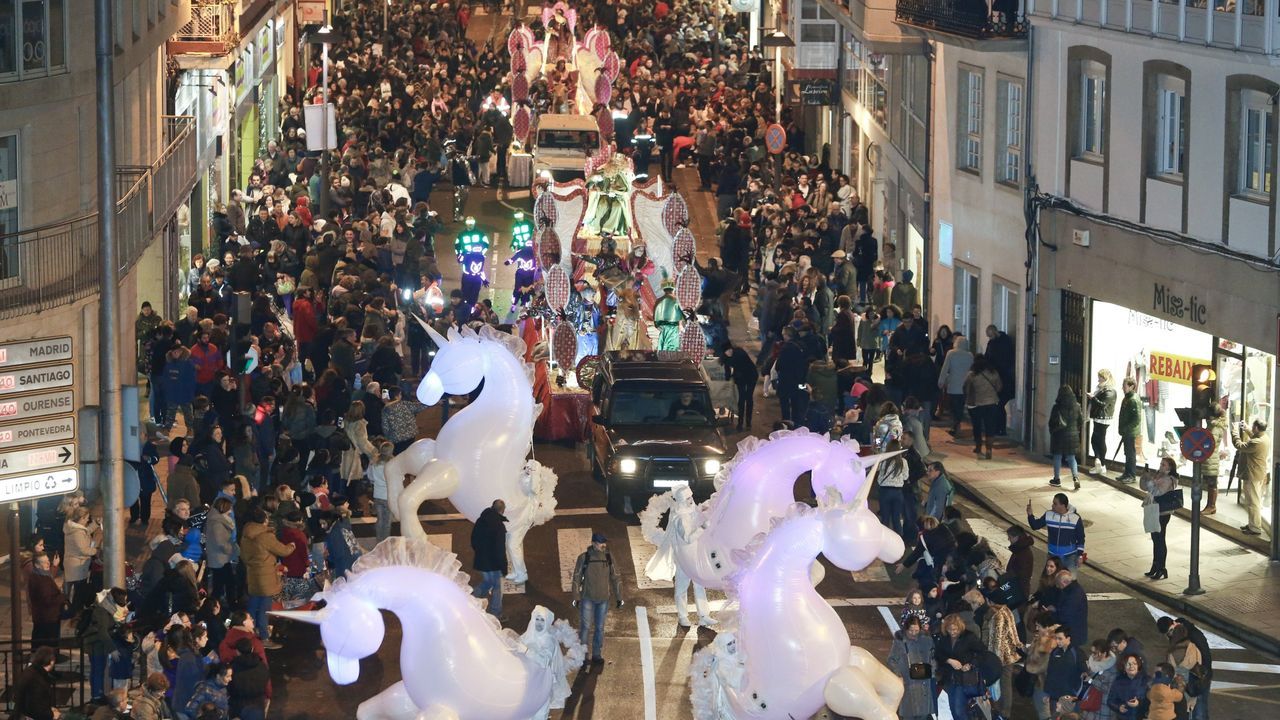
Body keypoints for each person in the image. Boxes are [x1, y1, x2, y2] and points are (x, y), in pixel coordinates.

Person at [239, 505, 295, 649]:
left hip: (252, 574)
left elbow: (244, 556)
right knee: (265, 608)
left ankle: (248, 632)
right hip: (266, 577)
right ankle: (264, 638)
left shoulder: (246, 534)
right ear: (263, 520)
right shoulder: (265, 536)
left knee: (253, 604)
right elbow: (282, 550)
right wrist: (291, 546)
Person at [572, 532, 624, 669]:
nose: (604, 545)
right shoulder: (583, 558)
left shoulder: (608, 557)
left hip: (603, 600)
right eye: (601, 543)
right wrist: (576, 597)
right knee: (585, 628)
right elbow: (576, 578)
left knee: (600, 628)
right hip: (587, 599)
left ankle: (596, 654)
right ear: (594, 544)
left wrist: (619, 597)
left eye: (604, 543)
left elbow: (616, 577)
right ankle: (582, 656)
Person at [1155, 615, 1212, 719]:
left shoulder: (1195, 636)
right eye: (1167, 634)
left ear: (1174, 623)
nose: (1169, 635)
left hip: (1199, 678)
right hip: (1185, 680)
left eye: (1170, 632)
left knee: (1199, 712)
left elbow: (1206, 657)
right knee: (1189, 711)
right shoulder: (1176, 634)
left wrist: (1203, 678)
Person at [83, 587, 131, 703]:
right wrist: (113, 650)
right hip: (96, 645)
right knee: (98, 670)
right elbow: (103, 632)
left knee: (98, 669)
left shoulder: (106, 607)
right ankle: (97, 697)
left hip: (98, 644)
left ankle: (98, 695)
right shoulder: (102, 611)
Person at [935, 612, 986, 720]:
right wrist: (949, 660)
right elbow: (938, 654)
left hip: (964, 678)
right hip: (949, 678)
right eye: (950, 629)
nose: (953, 632)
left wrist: (971, 664)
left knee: (958, 710)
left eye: (955, 629)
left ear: (960, 627)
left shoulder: (969, 637)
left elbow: (982, 652)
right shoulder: (944, 637)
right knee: (954, 709)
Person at [886, 615, 936, 720]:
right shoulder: (900, 642)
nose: (914, 633)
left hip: (924, 683)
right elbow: (891, 660)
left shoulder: (927, 640)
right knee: (909, 714)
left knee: (923, 715)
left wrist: (933, 669)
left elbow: (934, 657)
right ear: (906, 629)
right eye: (911, 630)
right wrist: (899, 674)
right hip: (908, 683)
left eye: (916, 630)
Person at [1231, 418, 1271, 535]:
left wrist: (1235, 431)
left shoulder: (1256, 442)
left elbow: (1238, 445)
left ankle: (1255, 528)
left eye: (1253, 427)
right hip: (1257, 473)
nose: (1252, 429)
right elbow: (1254, 436)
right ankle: (1252, 524)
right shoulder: (1264, 437)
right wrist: (1246, 428)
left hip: (1252, 475)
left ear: (1257, 428)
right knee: (1253, 500)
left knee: (1253, 502)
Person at [1027, 492, 1085, 571]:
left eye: (1055, 504)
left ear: (1063, 505)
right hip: (1052, 554)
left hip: (1070, 556)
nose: (1052, 506)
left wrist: (1080, 555)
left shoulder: (1075, 518)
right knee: (1050, 580)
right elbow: (1035, 526)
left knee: (1068, 581)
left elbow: (1081, 537)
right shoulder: (1049, 515)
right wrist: (1030, 515)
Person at [1143, 457, 1180, 580]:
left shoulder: (1168, 479)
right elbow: (1144, 487)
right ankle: (1155, 566)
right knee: (1155, 538)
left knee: (1160, 539)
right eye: (1161, 464)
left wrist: (1151, 482)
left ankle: (1161, 568)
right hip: (1154, 510)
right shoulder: (1159, 476)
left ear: (1169, 467)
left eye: (1164, 465)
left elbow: (1158, 492)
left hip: (1163, 513)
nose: (1161, 466)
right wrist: (1146, 477)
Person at [471, 499, 508, 617]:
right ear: (502, 511)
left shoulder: (480, 520)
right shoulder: (499, 527)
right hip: (494, 564)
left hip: (481, 561)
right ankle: (495, 613)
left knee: (488, 582)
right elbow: (500, 550)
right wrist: (504, 567)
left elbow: (473, 540)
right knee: (497, 587)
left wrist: (480, 553)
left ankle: (471, 599)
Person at [963, 354, 1002, 459]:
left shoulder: (972, 375)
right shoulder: (993, 373)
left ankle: (978, 446)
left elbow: (966, 389)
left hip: (977, 404)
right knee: (990, 426)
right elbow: (999, 388)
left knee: (977, 426)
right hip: (992, 403)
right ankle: (989, 449)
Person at [27, 551, 65, 650]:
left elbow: (48, 574)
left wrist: (55, 566)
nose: (48, 563)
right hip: (48, 618)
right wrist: (62, 596)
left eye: (48, 561)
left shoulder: (38, 574)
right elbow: (48, 601)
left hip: (41, 618)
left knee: (38, 641)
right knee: (48, 645)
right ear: (37, 565)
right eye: (44, 562)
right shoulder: (41, 581)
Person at [1044, 626, 1086, 713]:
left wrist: (1085, 673)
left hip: (1070, 698)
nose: (1057, 641)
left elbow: (1084, 669)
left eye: (1060, 638)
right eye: (1056, 638)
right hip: (1055, 697)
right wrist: (1047, 693)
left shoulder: (1077, 653)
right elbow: (1050, 673)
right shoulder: (1055, 652)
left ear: (1068, 638)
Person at [10, 645, 59, 720]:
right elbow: (36, 709)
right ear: (51, 661)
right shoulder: (38, 679)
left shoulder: (30, 671)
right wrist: (52, 714)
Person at [1049, 385, 1083, 490]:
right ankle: (1075, 477)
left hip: (1059, 436)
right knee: (1071, 457)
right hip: (1072, 435)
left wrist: (1052, 430)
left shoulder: (1057, 407)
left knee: (1057, 457)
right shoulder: (1077, 406)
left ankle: (1057, 479)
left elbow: (1051, 422)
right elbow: (1080, 421)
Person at [984, 324, 1015, 435]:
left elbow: (1004, 360)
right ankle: (999, 428)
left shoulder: (1004, 343)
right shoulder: (993, 343)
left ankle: (1000, 428)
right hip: (997, 378)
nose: (990, 338)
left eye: (990, 335)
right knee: (998, 405)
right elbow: (987, 358)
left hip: (1003, 378)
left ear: (994, 332)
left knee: (999, 405)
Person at [719, 343, 758, 431]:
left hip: (751, 375)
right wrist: (727, 378)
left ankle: (748, 422)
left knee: (748, 398)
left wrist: (734, 376)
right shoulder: (726, 358)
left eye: (729, 350)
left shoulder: (740, 354)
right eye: (726, 352)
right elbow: (727, 370)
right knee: (741, 398)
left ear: (732, 349)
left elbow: (741, 368)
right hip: (741, 378)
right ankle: (740, 423)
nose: (729, 352)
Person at [228, 637, 270, 720]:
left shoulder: (233, 667)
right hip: (258, 703)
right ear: (252, 649)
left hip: (239, 705)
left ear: (237, 651)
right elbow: (266, 679)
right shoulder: (261, 665)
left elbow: (230, 687)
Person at [1086, 369, 1117, 475]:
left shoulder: (1110, 391)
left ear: (1106, 378)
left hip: (1103, 418)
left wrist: (1093, 398)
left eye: (1101, 377)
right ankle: (1098, 462)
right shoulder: (1102, 389)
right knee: (1096, 439)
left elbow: (1103, 404)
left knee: (1099, 439)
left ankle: (1101, 464)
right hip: (1099, 417)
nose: (1098, 379)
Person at [1200, 404, 1228, 515]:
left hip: (1211, 459)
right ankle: (1210, 505)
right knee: (1211, 482)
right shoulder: (1214, 425)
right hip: (1210, 458)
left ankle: (1211, 506)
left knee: (1212, 483)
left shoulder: (1215, 427)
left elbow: (1210, 443)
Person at [1054, 568, 1089, 647]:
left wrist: (1052, 613)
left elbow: (1064, 616)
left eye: (1059, 585)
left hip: (1073, 635)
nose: (1059, 587)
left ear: (1064, 583)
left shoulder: (1073, 595)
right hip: (1076, 632)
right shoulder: (1074, 590)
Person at [1117, 377, 1142, 483]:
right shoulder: (1128, 398)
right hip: (1127, 431)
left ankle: (1131, 475)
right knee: (1127, 453)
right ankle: (1127, 473)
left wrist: (1126, 428)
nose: (1123, 388)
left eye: (1125, 386)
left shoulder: (1133, 400)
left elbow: (1136, 419)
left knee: (1130, 453)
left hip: (1130, 432)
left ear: (1131, 386)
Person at [1006, 525, 1035, 602]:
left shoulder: (1023, 553)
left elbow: (1022, 576)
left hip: (1018, 593)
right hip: (1016, 590)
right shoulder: (1019, 549)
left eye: (1010, 537)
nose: (1008, 539)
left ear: (1017, 537)